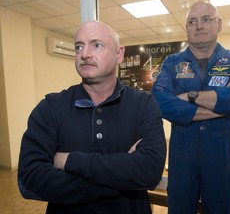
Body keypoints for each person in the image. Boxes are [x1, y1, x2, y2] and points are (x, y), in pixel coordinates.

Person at [18, 20, 166, 214]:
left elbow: (149, 172)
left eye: (96, 45)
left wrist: (69, 161)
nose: (85, 54)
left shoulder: (144, 104)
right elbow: (30, 178)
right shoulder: (51, 106)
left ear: (119, 54)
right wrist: (119, 180)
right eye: (79, 46)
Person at [152, 1, 230, 214]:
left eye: (206, 19)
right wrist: (223, 104)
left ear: (219, 24)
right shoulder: (171, 63)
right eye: (192, 21)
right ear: (187, 28)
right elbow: (159, 101)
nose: (199, 25)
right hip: (182, 153)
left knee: (222, 207)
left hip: (222, 155)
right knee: (179, 207)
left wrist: (189, 96)